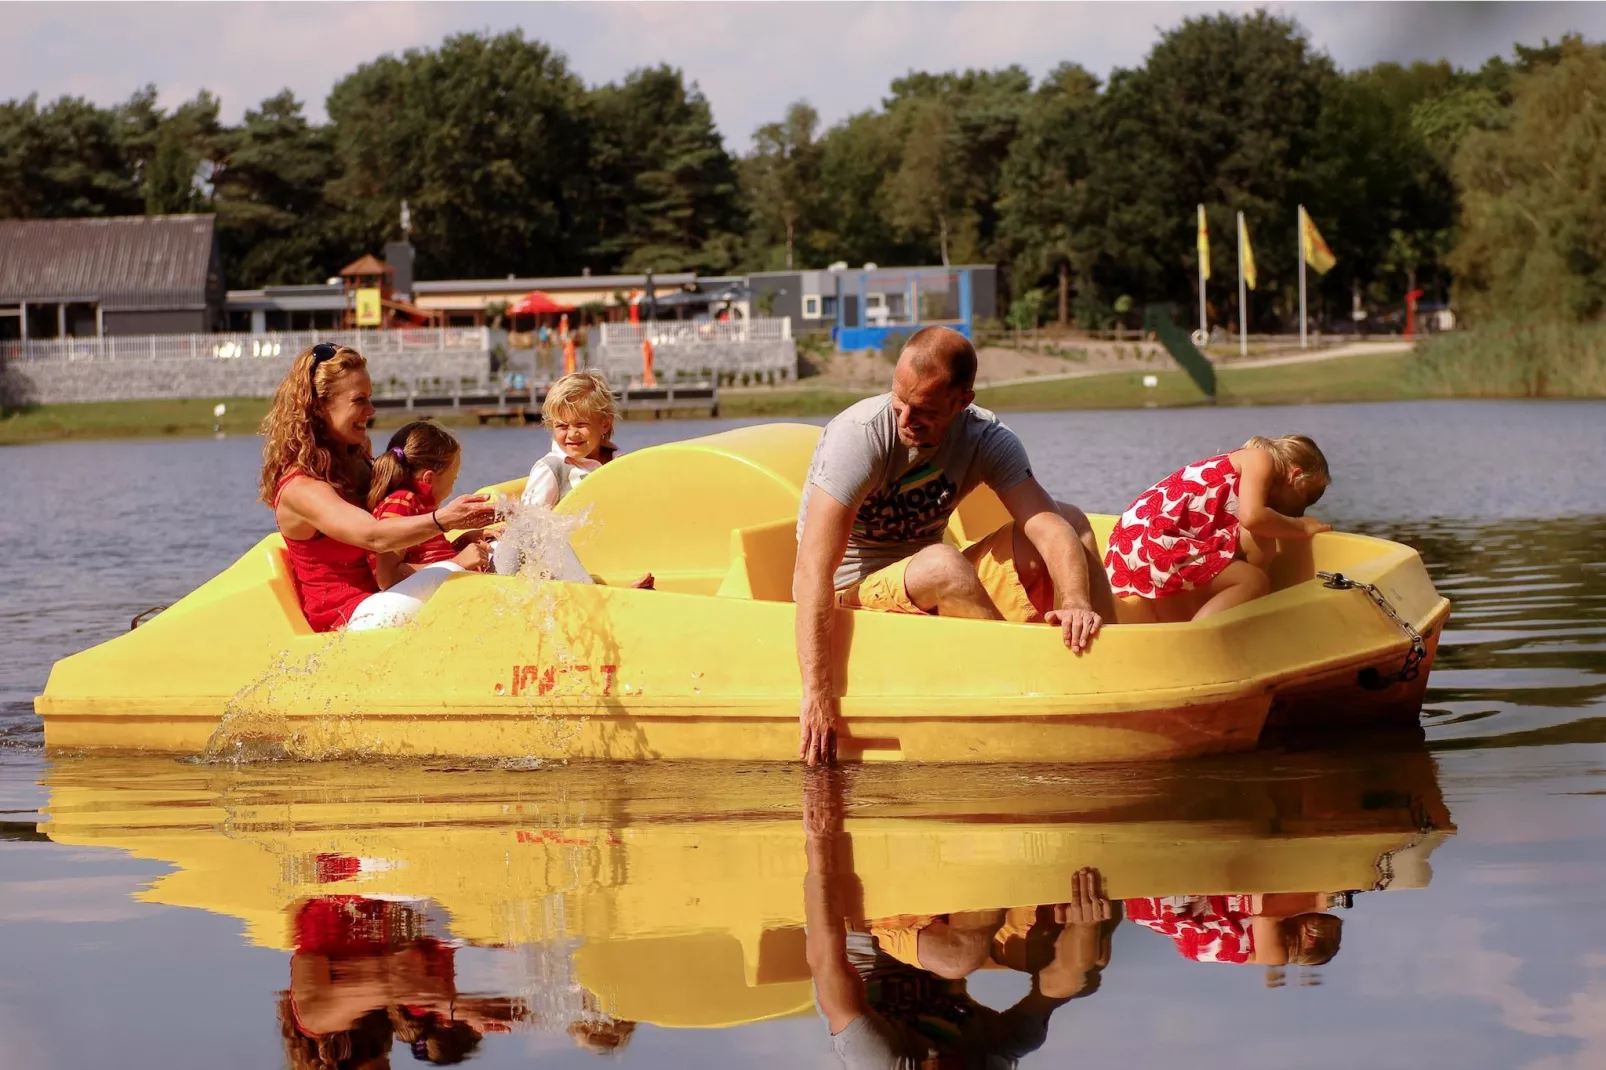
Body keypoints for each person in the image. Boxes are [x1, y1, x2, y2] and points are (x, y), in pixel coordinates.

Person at [793, 326, 1115, 765]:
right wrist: (816, 692)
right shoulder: (860, 437)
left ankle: (1109, 670)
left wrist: (1076, 600)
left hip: (929, 575)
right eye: (898, 401)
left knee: (1072, 522)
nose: (905, 420)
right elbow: (811, 572)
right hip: (854, 592)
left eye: (923, 410)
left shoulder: (985, 438)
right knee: (943, 564)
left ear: (962, 402)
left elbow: (1049, 528)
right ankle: (1019, 690)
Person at [803, 770, 1109, 1068]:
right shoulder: (990, 1059)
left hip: (867, 928)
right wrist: (1085, 924)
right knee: (1072, 958)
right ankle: (1046, 818)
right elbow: (1060, 987)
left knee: (960, 958)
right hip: (936, 935)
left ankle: (993, 819)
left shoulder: (877, 1061)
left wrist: (819, 843)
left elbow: (826, 962)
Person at [259, 343, 497, 633]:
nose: (371, 410)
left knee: (500, 550)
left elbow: (402, 543)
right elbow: (373, 536)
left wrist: (461, 539)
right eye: (359, 400)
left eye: (369, 398)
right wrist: (444, 521)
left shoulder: (358, 462)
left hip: (388, 597)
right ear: (319, 407)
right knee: (455, 573)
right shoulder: (301, 488)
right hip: (353, 621)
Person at [1103, 434, 1331, 622]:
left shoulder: (1239, 472)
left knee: (1260, 540)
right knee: (1253, 581)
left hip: (1133, 543)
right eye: (1311, 496)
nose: (1305, 508)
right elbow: (1253, 517)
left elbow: (1255, 526)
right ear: (1296, 476)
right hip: (1153, 542)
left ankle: (1241, 619)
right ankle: (1199, 641)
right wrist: (1301, 527)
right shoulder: (1260, 459)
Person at [367, 421, 491, 590]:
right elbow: (388, 578)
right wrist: (458, 562)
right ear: (429, 479)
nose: (453, 486)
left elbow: (425, 556)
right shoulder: (400, 503)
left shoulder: (420, 505)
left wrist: (462, 543)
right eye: (453, 480)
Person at [520, 369, 620, 509]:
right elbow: (528, 523)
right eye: (562, 426)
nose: (572, 434)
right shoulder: (552, 470)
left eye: (581, 424)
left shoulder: (619, 462)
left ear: (605, 424)